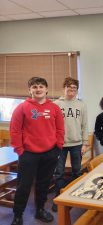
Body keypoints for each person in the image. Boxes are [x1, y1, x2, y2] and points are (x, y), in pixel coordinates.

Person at [10, 77, 64, 225]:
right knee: (24, 185)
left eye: (41, 86)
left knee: (43, 184)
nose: (38, 89)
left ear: (46, 89)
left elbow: (60, 129)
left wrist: (58, 146)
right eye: (34, 87)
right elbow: (15, 131)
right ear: (30, 90)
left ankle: (40, 210)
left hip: (50, 153)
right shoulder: (22, 108)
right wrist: (20, 150)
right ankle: (18, 215)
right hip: (28, 154)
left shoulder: (54, 108)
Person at [52, 77, 88, 212]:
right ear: (64, 88)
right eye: (69, 87)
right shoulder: (56, 104)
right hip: (60, 144)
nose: (72, 90)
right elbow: (51, 126)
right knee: (59, 172)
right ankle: (58, 199)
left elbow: (85, 125)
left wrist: (85, 143)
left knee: (77, 172)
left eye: (74, 88)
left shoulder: (81, 105)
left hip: (77, 143)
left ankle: (75, 198)